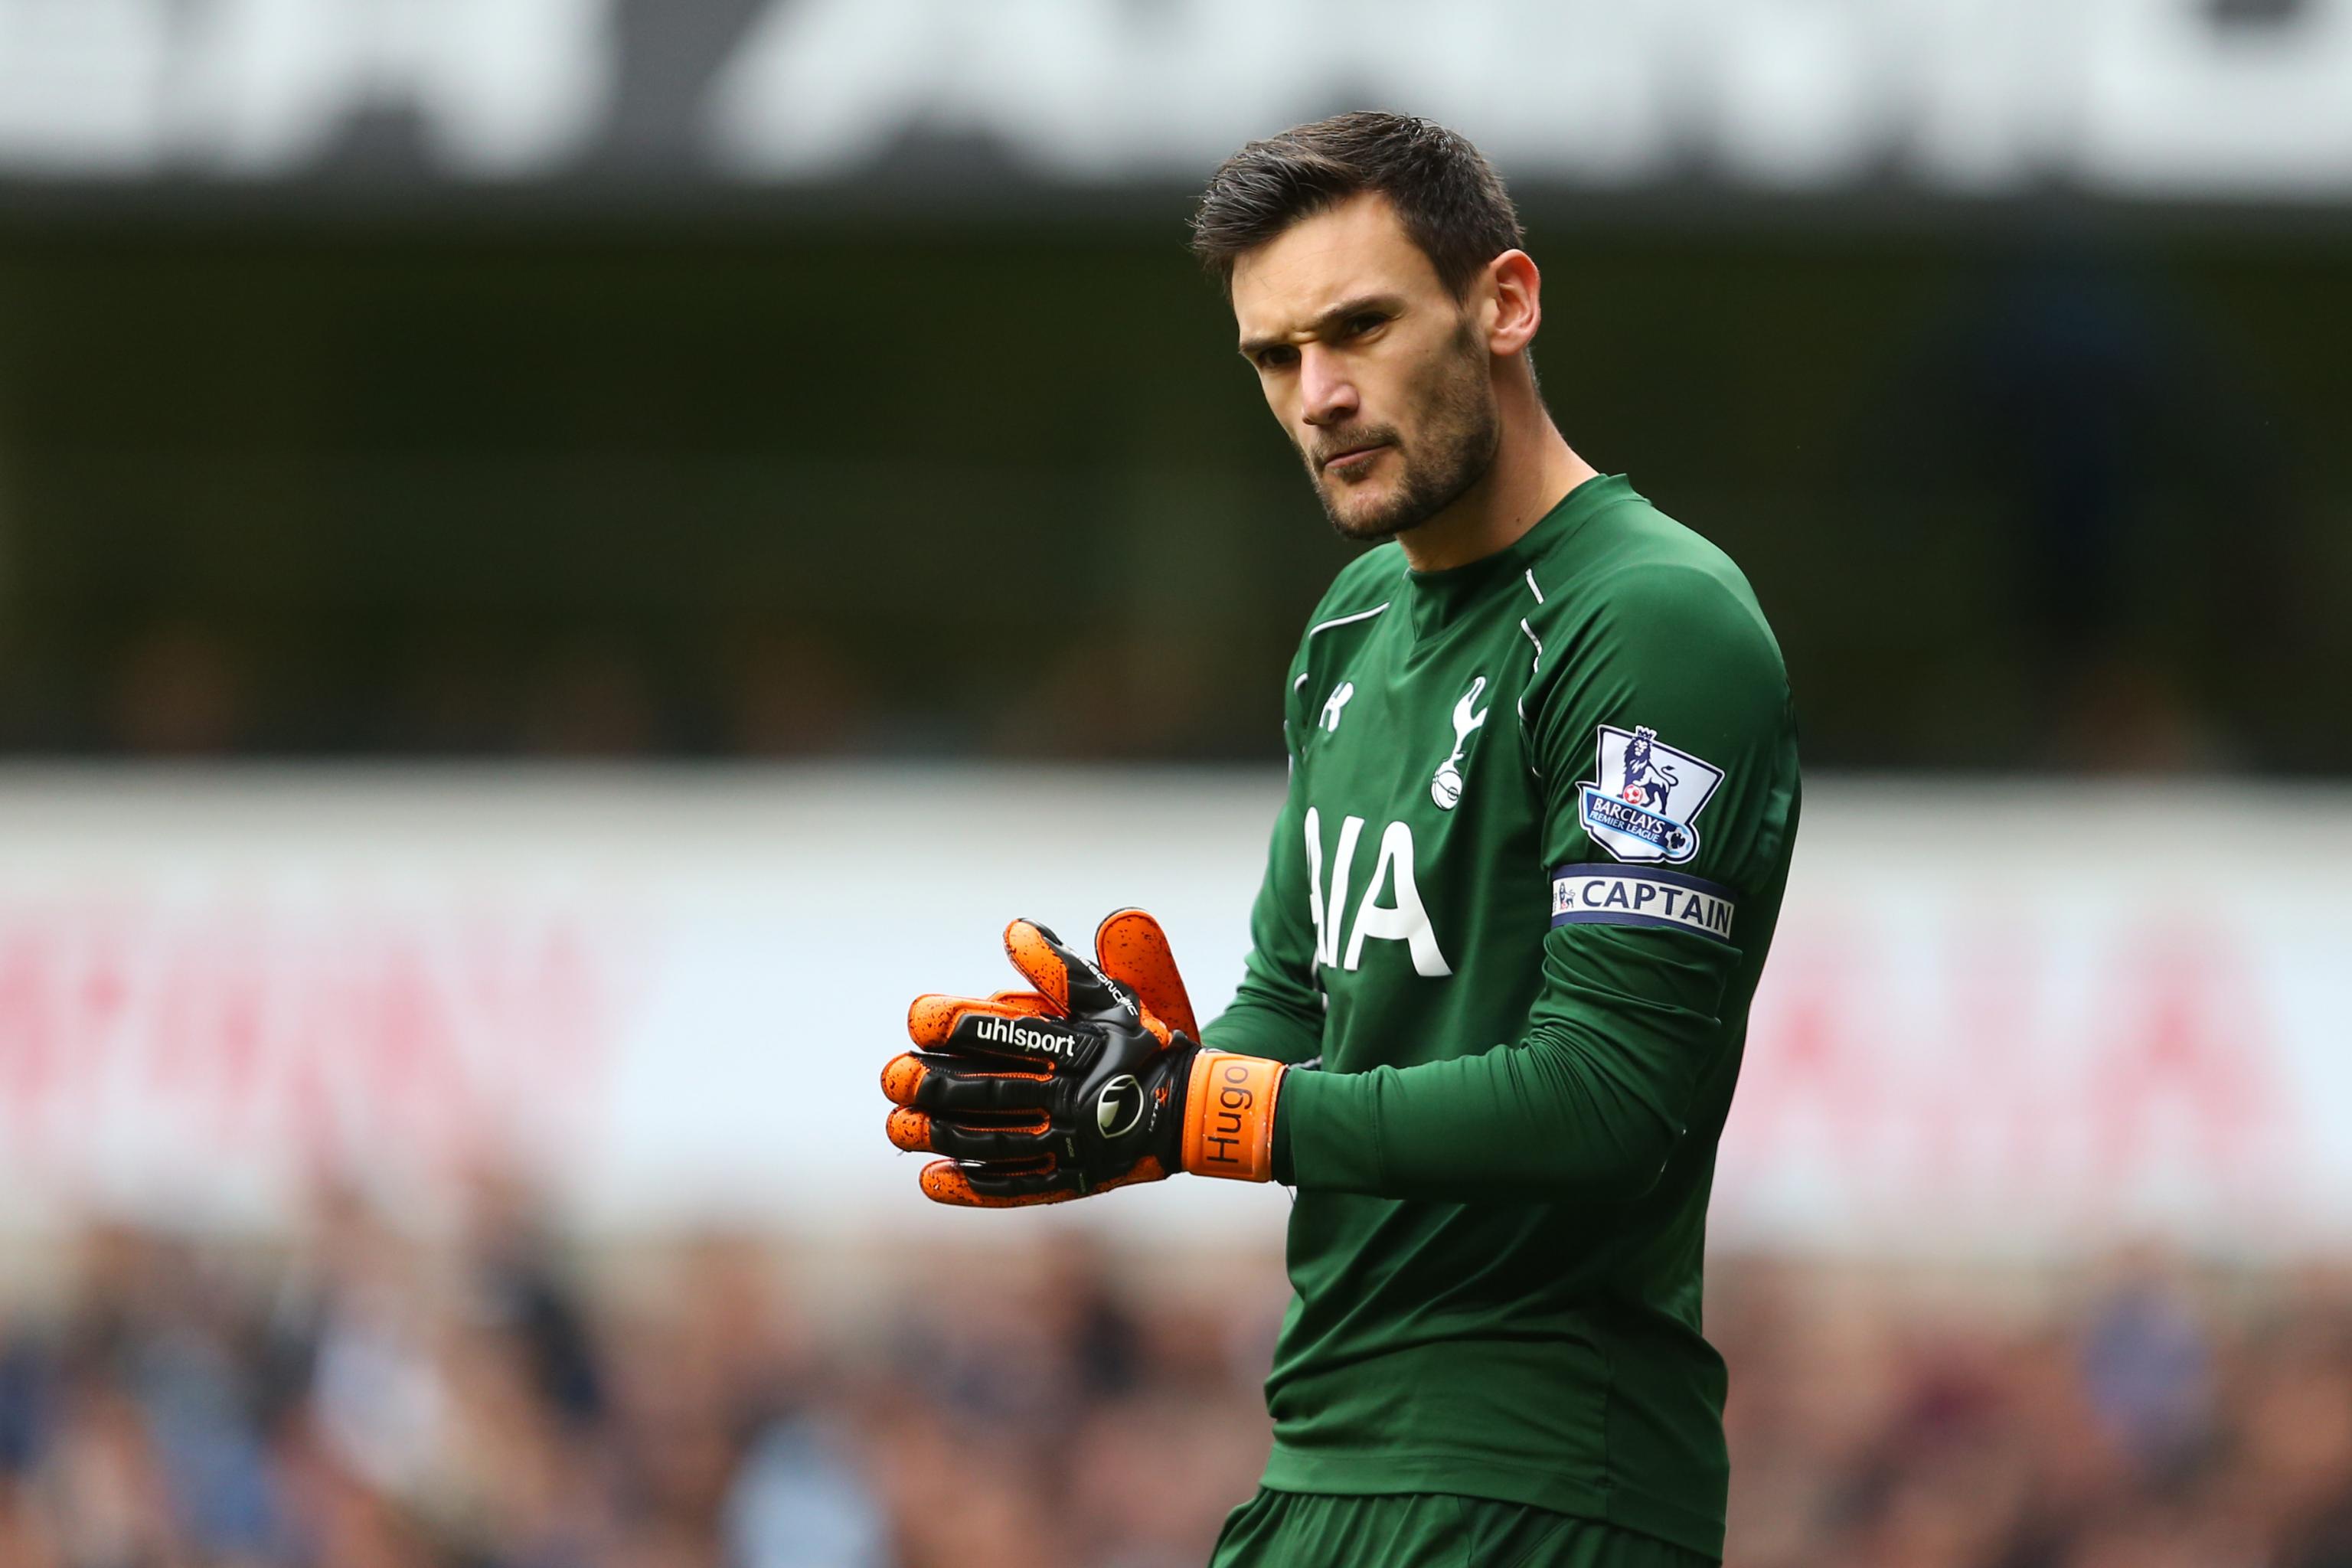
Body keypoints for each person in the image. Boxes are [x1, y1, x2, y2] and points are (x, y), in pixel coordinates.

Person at [882, 111, 1800, 1568]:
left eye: (1359, 328)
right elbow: (1306, 1008)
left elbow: (1610, 1097)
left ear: (1504, 303)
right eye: (1274, 355)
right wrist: (1136, 1081)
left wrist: (1215, 1113)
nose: (1318, 394)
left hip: (1538, 1480)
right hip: (1321, 1457)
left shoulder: (1654, 618)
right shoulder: (1350, 625)